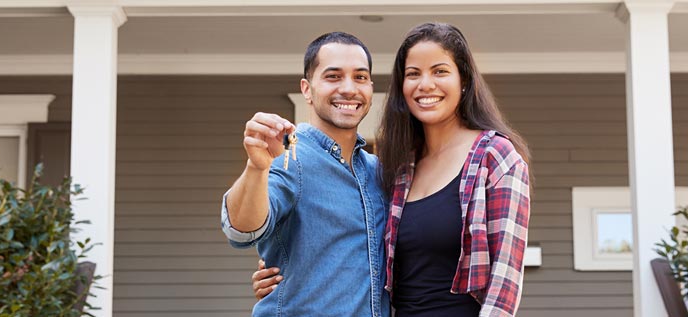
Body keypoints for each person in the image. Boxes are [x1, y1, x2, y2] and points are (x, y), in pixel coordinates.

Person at [254, 22, 531, 317]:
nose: (425, 84)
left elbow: (504, 285)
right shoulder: (398, 169)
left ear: (464, 80)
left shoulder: (495, 158)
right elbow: (364, 253)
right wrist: (286, 275)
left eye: (439, 71)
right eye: (413, 74)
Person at [221, 32, 390, 317]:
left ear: (370, 87)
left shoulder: (378, 172)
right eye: (333, 76)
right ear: (307, 89)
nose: (349, 88)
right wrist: (257, 167)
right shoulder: (288, 157)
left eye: (360, 77)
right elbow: (241, 230)